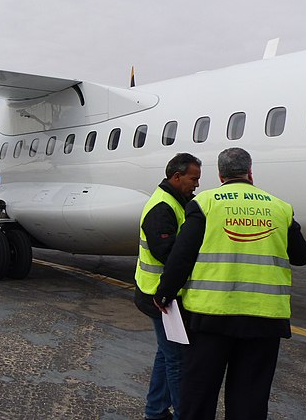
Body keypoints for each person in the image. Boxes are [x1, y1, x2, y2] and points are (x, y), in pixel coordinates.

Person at [154, 148, 306, 420]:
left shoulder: (206, 203)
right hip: (265, 321)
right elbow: (302, 255)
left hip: (211, 319)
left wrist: (165, 293)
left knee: (199, 395)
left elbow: (181, 255)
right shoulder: (279, 207)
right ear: (250, 172)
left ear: (220, 175)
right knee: (249, 400)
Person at [135, 153, 202, 420]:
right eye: (193, 178)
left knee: (166, 355)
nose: (196, 184)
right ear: (176, 177)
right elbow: (168, 253)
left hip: (165, 295)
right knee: (177, 361)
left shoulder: (179, 201)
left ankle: (155, 411)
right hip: (160, 297)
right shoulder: (162, 208)